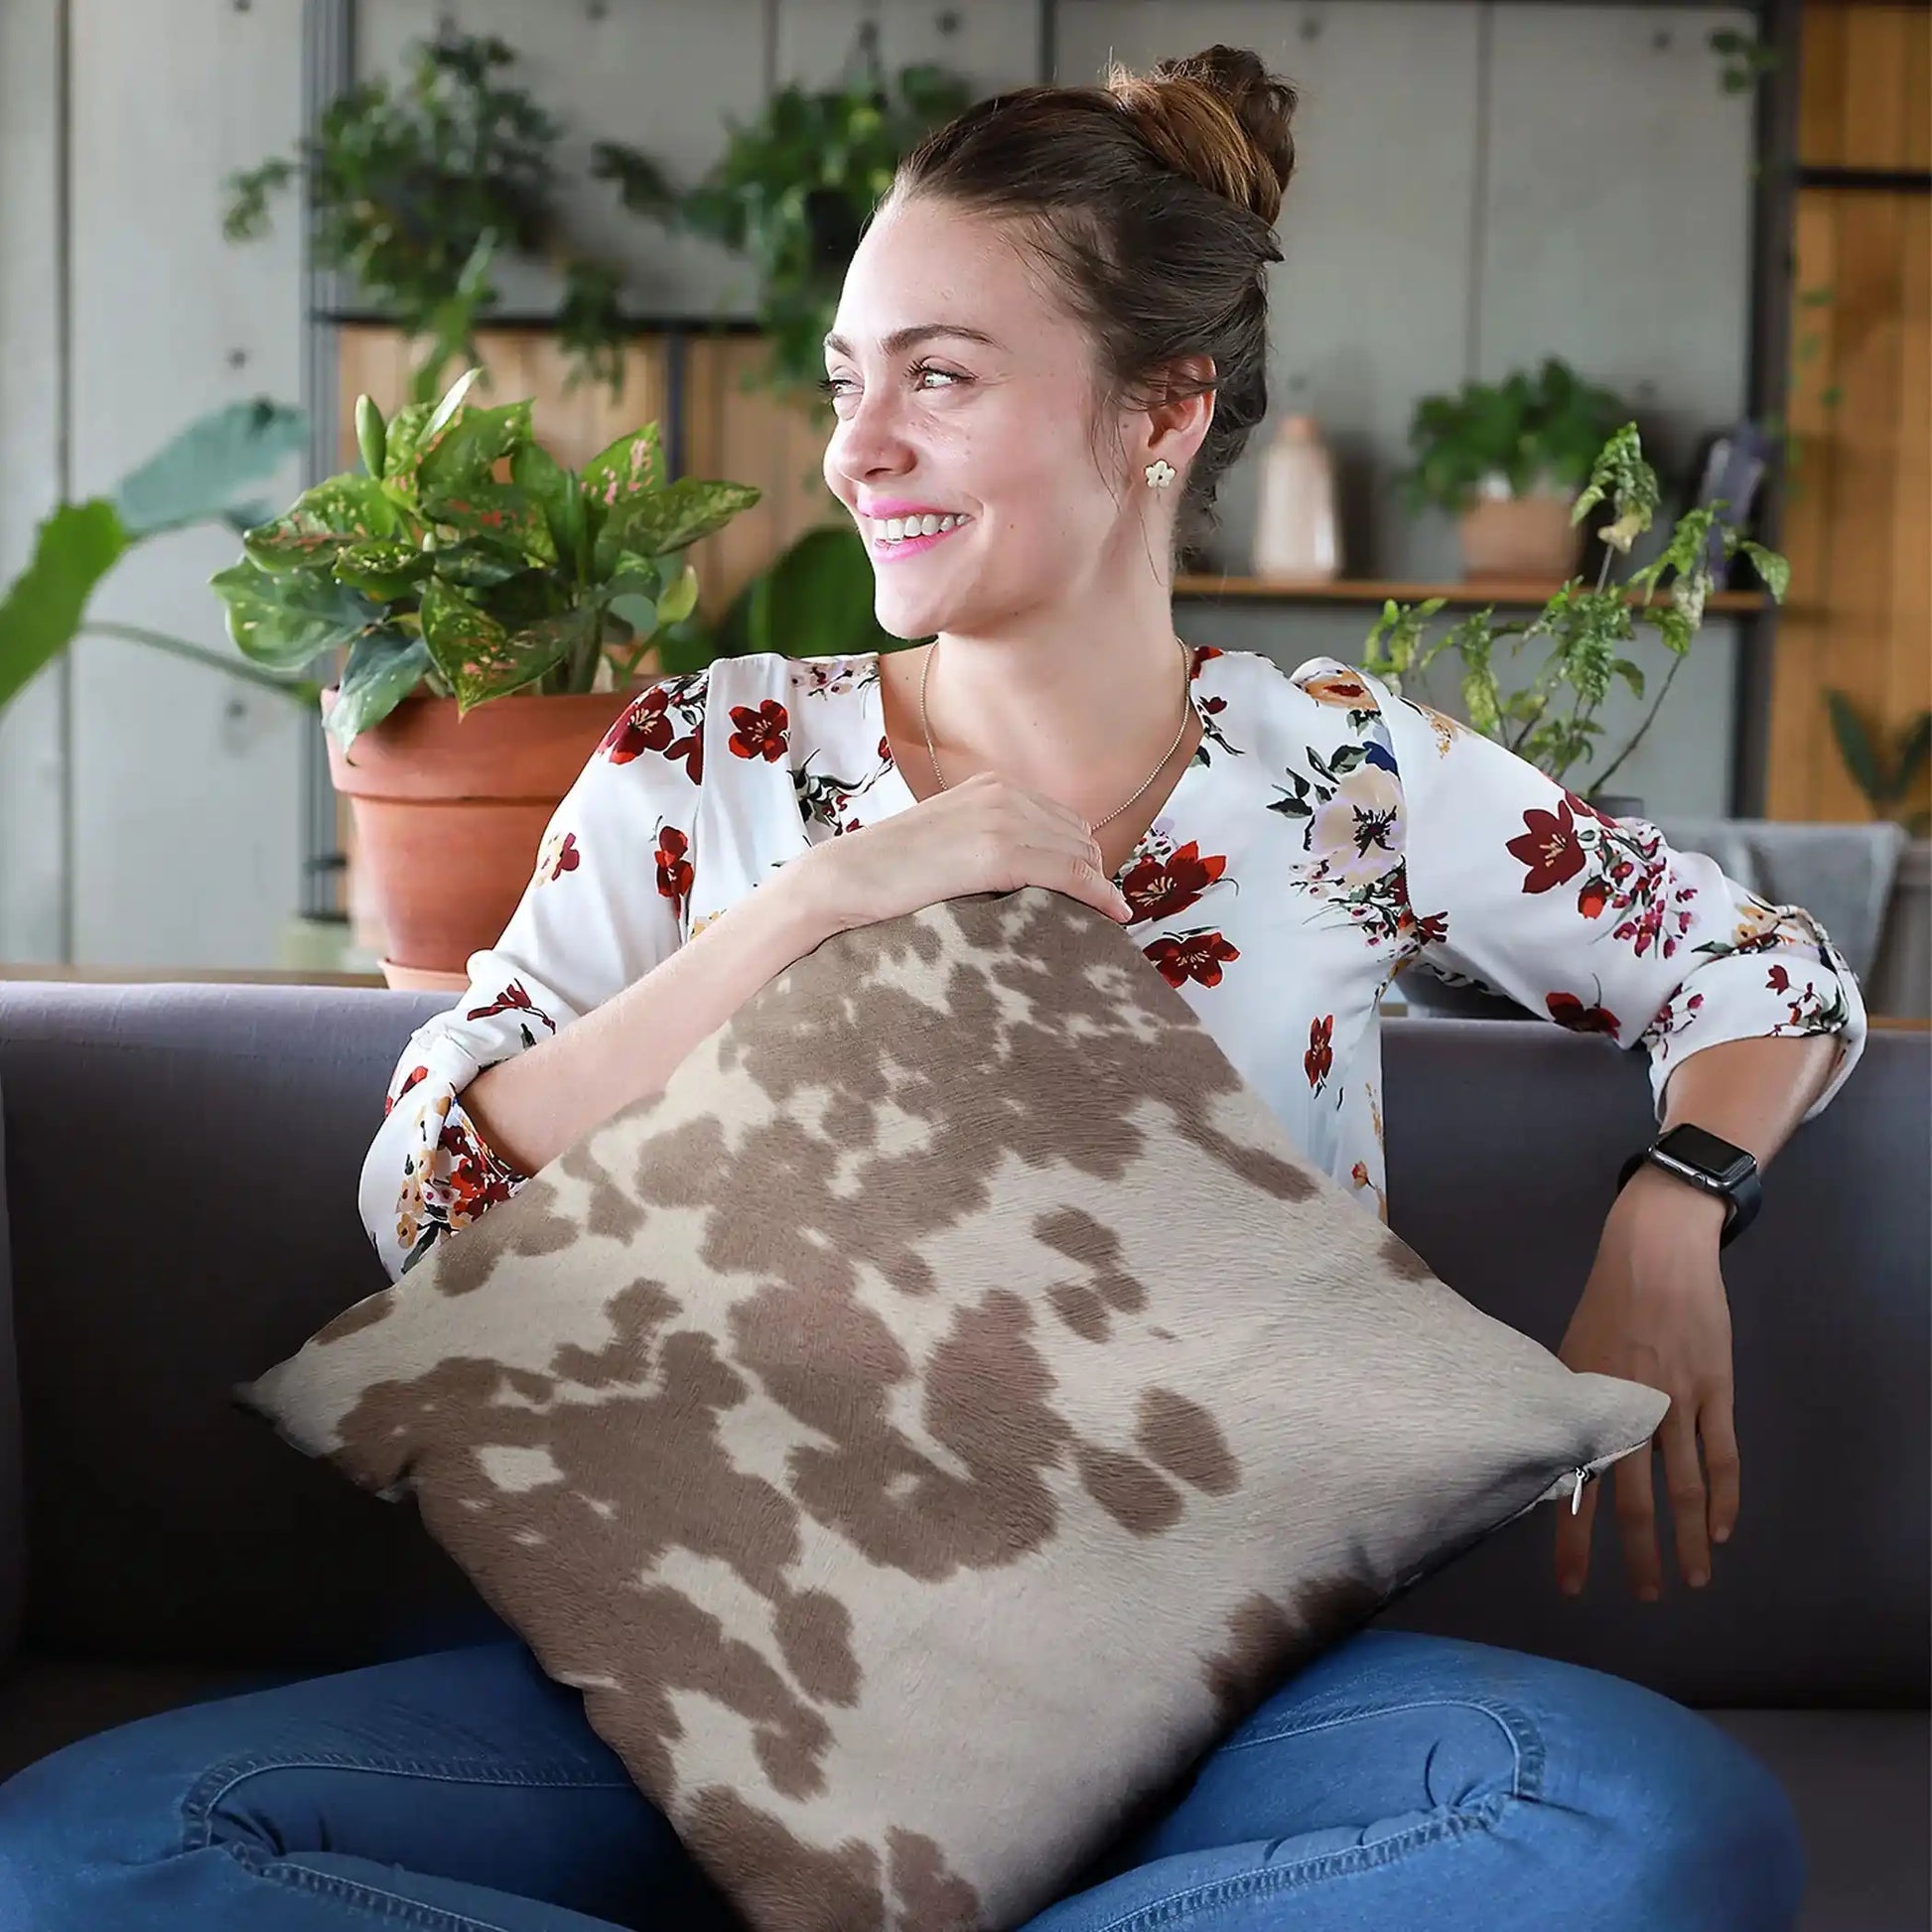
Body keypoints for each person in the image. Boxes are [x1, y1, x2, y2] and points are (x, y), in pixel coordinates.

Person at [0, 45, 1861, 1932]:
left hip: (1203, 1697)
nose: (852, 445)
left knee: (1642, 1828)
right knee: (87, 1858)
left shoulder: (1338, 774)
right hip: (708, 1674)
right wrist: (804, 910)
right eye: (846, 379)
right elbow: (425, 1195)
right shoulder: (706, 758)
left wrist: (1673, 1208)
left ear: (1162, 410)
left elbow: (1757, 966)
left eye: (937, 377)